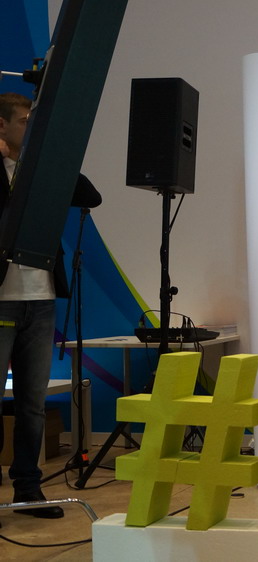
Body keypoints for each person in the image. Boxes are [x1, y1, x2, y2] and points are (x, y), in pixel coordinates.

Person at [0, 92, 63, 518]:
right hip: (2, 298)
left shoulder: (40, 170)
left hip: (41, 299)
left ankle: (28, 489)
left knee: (32, 403)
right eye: (24, 121)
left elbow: (89, 194)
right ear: (2, 125)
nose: (31, 127)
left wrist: (48, 159)